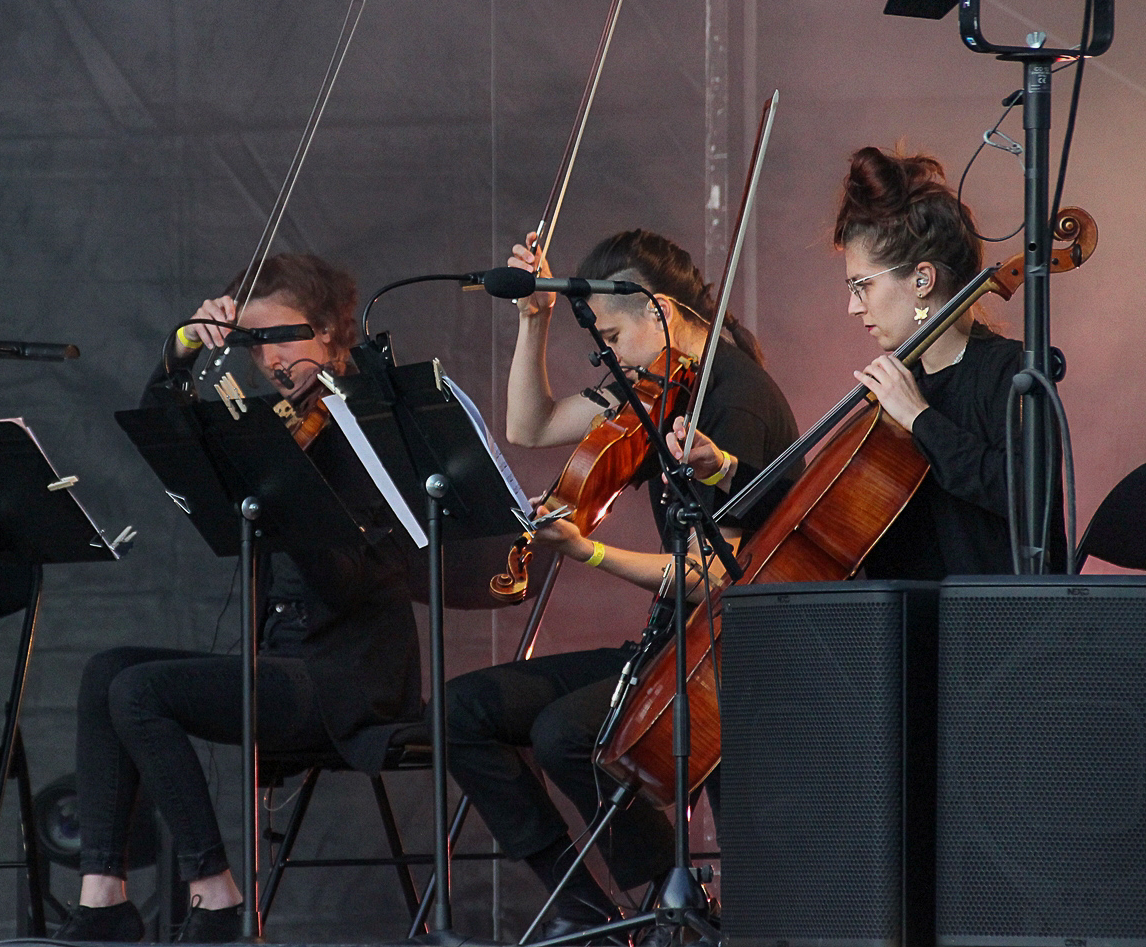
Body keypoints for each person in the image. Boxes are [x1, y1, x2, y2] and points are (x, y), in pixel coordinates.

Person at [444, 228, 799, 937]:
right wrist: (533, 318)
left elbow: (709, 579)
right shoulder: (657, 387)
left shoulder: (737, 400)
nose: (606, 353)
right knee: (464, 711)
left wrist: (590, 552)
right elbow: (530, 422)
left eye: (610, 333)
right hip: (668, 644)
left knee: (566, 734)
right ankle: (586, 909)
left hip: (722, 654)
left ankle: (678, 899)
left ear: (659, 311)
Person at [60, 253, 422, 944]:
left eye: (280, 337)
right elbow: (162, 427)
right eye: (252, 344)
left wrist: (286, 487)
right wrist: (186, 344)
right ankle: (104, 898)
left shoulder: (371, 421)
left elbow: (347, 583)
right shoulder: (277, 426)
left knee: (140, 692)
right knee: (105, 669)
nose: (268, 360)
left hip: (352, 681)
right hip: (285, 664)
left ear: (326, 332)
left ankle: (216, 897)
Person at [829, 145, 1049, 577]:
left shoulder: (1009, 373)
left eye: (862, 286)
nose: (853, 307)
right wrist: (721, 468)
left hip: (997, 628)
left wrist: (920, 418)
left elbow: (1028, 497)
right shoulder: (903, 383)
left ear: (923, 278)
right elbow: (821, 515)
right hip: (906, 631)